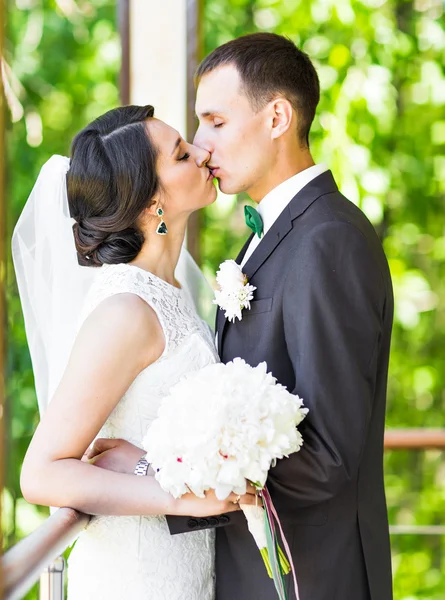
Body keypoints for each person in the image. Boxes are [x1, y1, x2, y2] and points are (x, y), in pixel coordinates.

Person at [92, 33, 394, 600]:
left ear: (277, 116)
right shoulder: (269, 238)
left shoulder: (328, 240)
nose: (201, 146)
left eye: (215, 122)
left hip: (308, 577)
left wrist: (166, 470)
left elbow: (329, 457)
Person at [14, 104, 255, 600]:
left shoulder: (168, 291)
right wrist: (179, 492)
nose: (203, 151)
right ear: (151, 202)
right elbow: (41, 472)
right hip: (137, 575)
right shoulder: (125, 309)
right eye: (182, 154)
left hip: (187, 567)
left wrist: (156, 466)